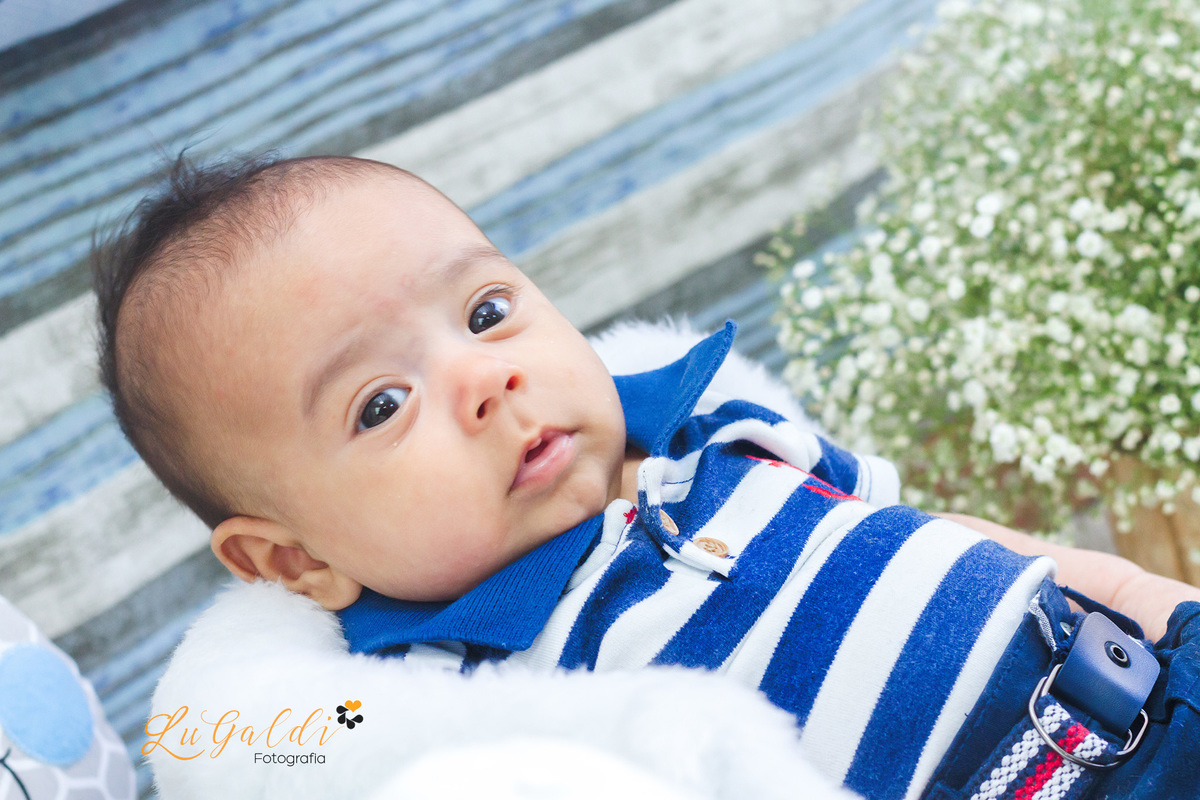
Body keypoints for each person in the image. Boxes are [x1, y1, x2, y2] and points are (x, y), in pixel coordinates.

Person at [94, 154, 1200, 800]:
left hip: (1152, 690)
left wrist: (1152, 602)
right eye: (382, 403)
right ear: (294, 558)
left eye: (486, 311)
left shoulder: (715, 430)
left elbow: (937, 534)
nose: (486, 378)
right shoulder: (471, 687)